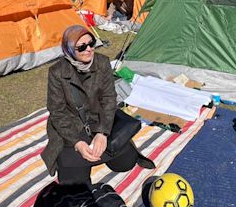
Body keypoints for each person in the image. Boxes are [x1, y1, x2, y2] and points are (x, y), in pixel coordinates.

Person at [41, 25, 154, 185]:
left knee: (125, 163)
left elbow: (109, 99)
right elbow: (57, 112)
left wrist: (103, 133)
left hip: (99, 120)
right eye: (81, 47)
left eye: (91, 43)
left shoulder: (102, 62)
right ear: (69, 50)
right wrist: (77, 143)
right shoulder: (57, 72)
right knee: (74, 183)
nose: (89, 49)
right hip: (72, 126)